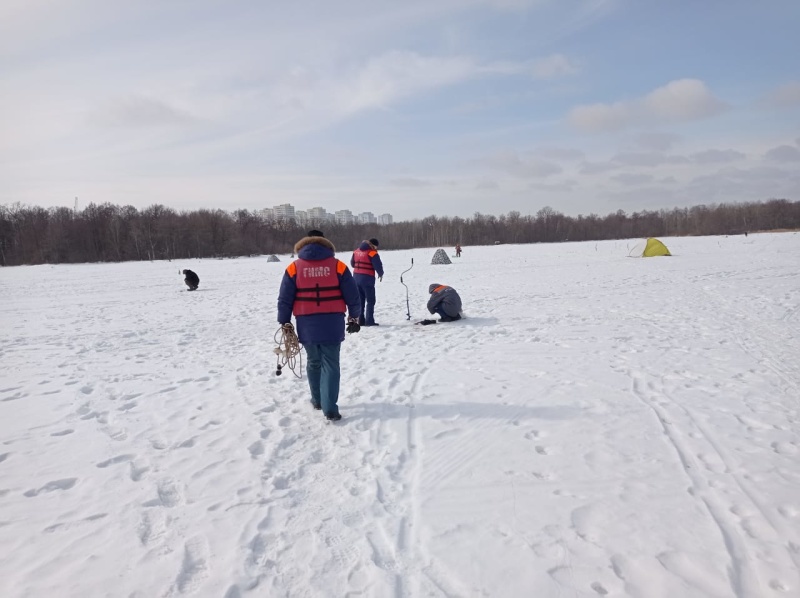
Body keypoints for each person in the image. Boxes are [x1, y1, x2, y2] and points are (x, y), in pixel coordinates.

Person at [277, 230, 361, 421]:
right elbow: (353, 295)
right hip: (332, 322)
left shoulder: (294, 268)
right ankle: (329, 407)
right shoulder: (338, 266)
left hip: (306, 323)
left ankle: (317, 400)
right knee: (331, 364)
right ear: (326, 245)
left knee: (314, 361)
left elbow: (284, 298)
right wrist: (355, 317)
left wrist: (284, 321)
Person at [350, 238, 384, 326]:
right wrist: (381, 274)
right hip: (367, 279)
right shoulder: (372, 253)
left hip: (356, 279)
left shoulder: (356, 251)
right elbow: (378, 266)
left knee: (360, 300)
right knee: (370, 300)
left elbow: (352, 264)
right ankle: (369, 321)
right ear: (374, 245)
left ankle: (360, 321)